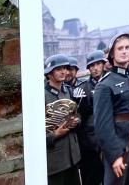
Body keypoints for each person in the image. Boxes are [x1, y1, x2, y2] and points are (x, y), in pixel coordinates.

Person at [93, 34, 129, 185]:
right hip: (118, 146)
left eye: (127, 48)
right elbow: (102, 126)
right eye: (120, 48)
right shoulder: (104, 85)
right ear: (112, 53)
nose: (124, 51)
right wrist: (114, 155)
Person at [44, 54, 81, 185]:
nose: (64, 71)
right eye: (58, 69)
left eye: (65, 68)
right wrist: (55, 134)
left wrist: (76, 121)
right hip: (55, 161)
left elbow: (77, 113)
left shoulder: (69, 91)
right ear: (49, 73)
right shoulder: (42, 96)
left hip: (73, 157)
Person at [73, 51, 106, 185]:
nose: (95, 68)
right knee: (91, 179)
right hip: (91, 145)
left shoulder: (113, 82)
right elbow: (79, 117)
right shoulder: (82, 89)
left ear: (103, 65)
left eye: (98, 64)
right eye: (91, 65)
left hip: (112, 140)